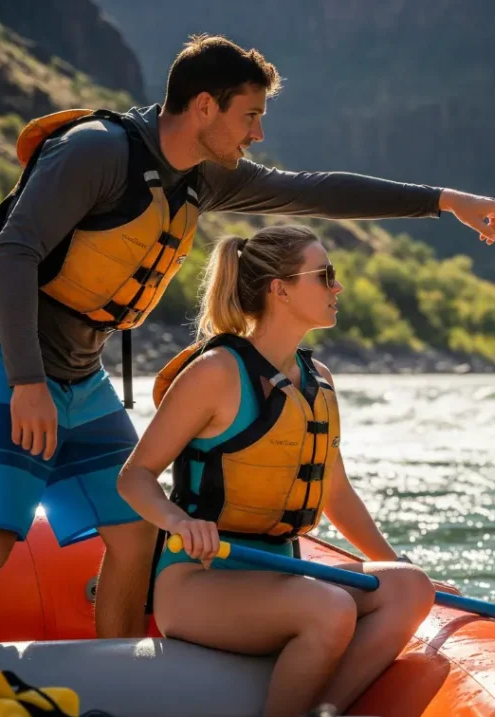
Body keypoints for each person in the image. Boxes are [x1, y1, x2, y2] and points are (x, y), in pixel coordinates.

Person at [0, 33, 495, 646]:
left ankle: (113, 686)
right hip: (1, 353)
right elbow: (13, 255)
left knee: (135, 531)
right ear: (205, 107)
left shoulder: (203, 179)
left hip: (80, 373)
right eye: (251, 116)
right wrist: (27, 381)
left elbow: (315, 191)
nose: (257, 134)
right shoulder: (95, 153)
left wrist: (449, 201)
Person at [117, 225, 435, 717]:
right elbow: (134, 477)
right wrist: (179, 523)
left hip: (283, 572)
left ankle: (323, 711)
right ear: (280, 289)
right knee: (328, 608)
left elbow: (336, 492)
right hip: (199, 582)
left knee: (411, 586)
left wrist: (397, 563)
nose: (338, 287)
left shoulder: (318, 379)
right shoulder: (215, 373)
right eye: (325, 275)